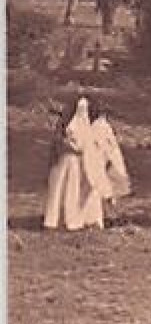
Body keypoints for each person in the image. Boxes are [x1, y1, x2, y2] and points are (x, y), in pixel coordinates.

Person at [43, 97, 108, 231]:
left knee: (87, 191)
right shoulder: (68, 126)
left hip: (87, 162)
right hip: (68, 162)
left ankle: (86, 219)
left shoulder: (97, 125)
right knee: (67, 189)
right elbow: (62, 141)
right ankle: (63, 219)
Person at [88, 103, 131, 216]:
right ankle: (108, 213)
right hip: (105, 159)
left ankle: (111, 212)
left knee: (111, 187)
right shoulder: (99, 126)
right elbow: (102, 145)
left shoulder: (102, 125)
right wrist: (107, 158)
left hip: (110, 158)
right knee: (106, 188)